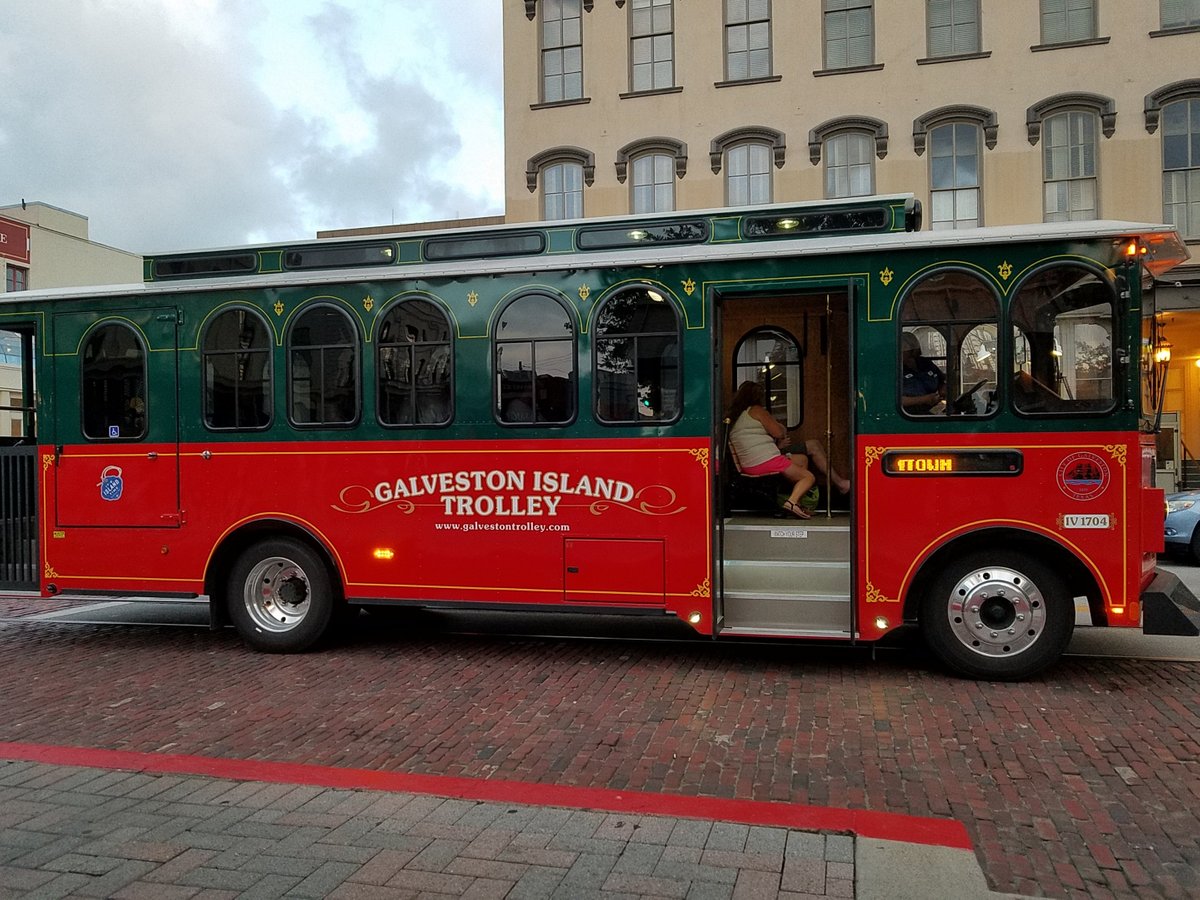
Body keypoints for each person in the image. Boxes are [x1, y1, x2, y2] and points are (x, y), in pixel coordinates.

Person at [727, 381, 816, 519]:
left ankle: (797, 501)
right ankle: (791, 502)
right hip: (766, 461)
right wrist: (780, 426)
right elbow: (778, 433)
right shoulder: (757, 410)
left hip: (749, 464)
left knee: (802, 459)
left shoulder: (735, 416)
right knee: (808, 477)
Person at [900, 332, 946, 414]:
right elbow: (893, 399)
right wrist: (924, 399)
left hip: (934, 412)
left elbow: (942, 380)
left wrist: (942, 390)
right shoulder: (893, 369)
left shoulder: (926, 363)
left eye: (908, 348)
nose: (904, 351)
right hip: (908, 416)